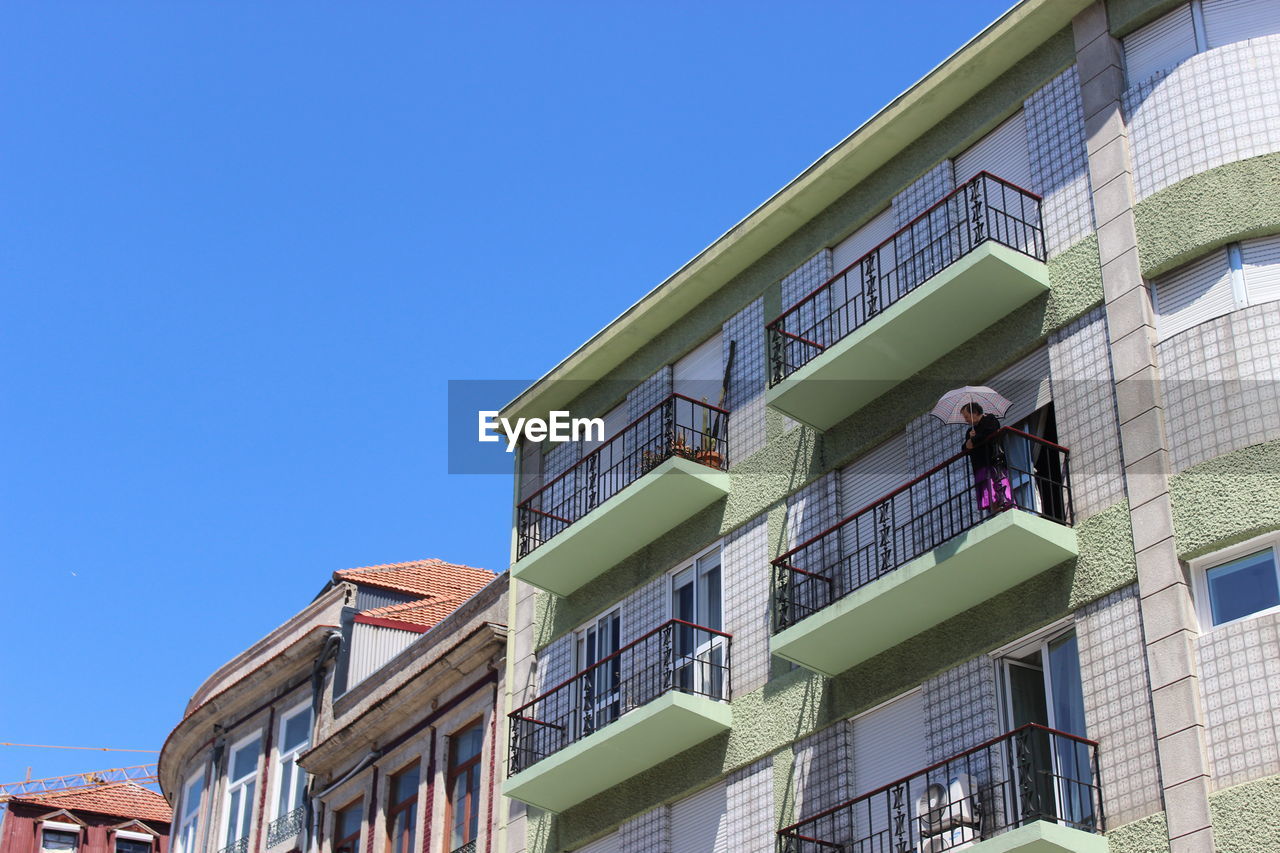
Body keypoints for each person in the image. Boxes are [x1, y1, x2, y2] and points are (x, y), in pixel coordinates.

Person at [960, 402, 1013, 513]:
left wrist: (973, 440)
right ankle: (996, 511)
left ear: (974, 413)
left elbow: (989, 433)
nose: (966, 420)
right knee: (988, 492)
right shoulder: (970, 431)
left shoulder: (990, 420)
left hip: (994, 462)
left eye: (966, 416)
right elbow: (965, 448)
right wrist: (970, 440)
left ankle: (1007, 508)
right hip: (980, 465)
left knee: (1000, 487)